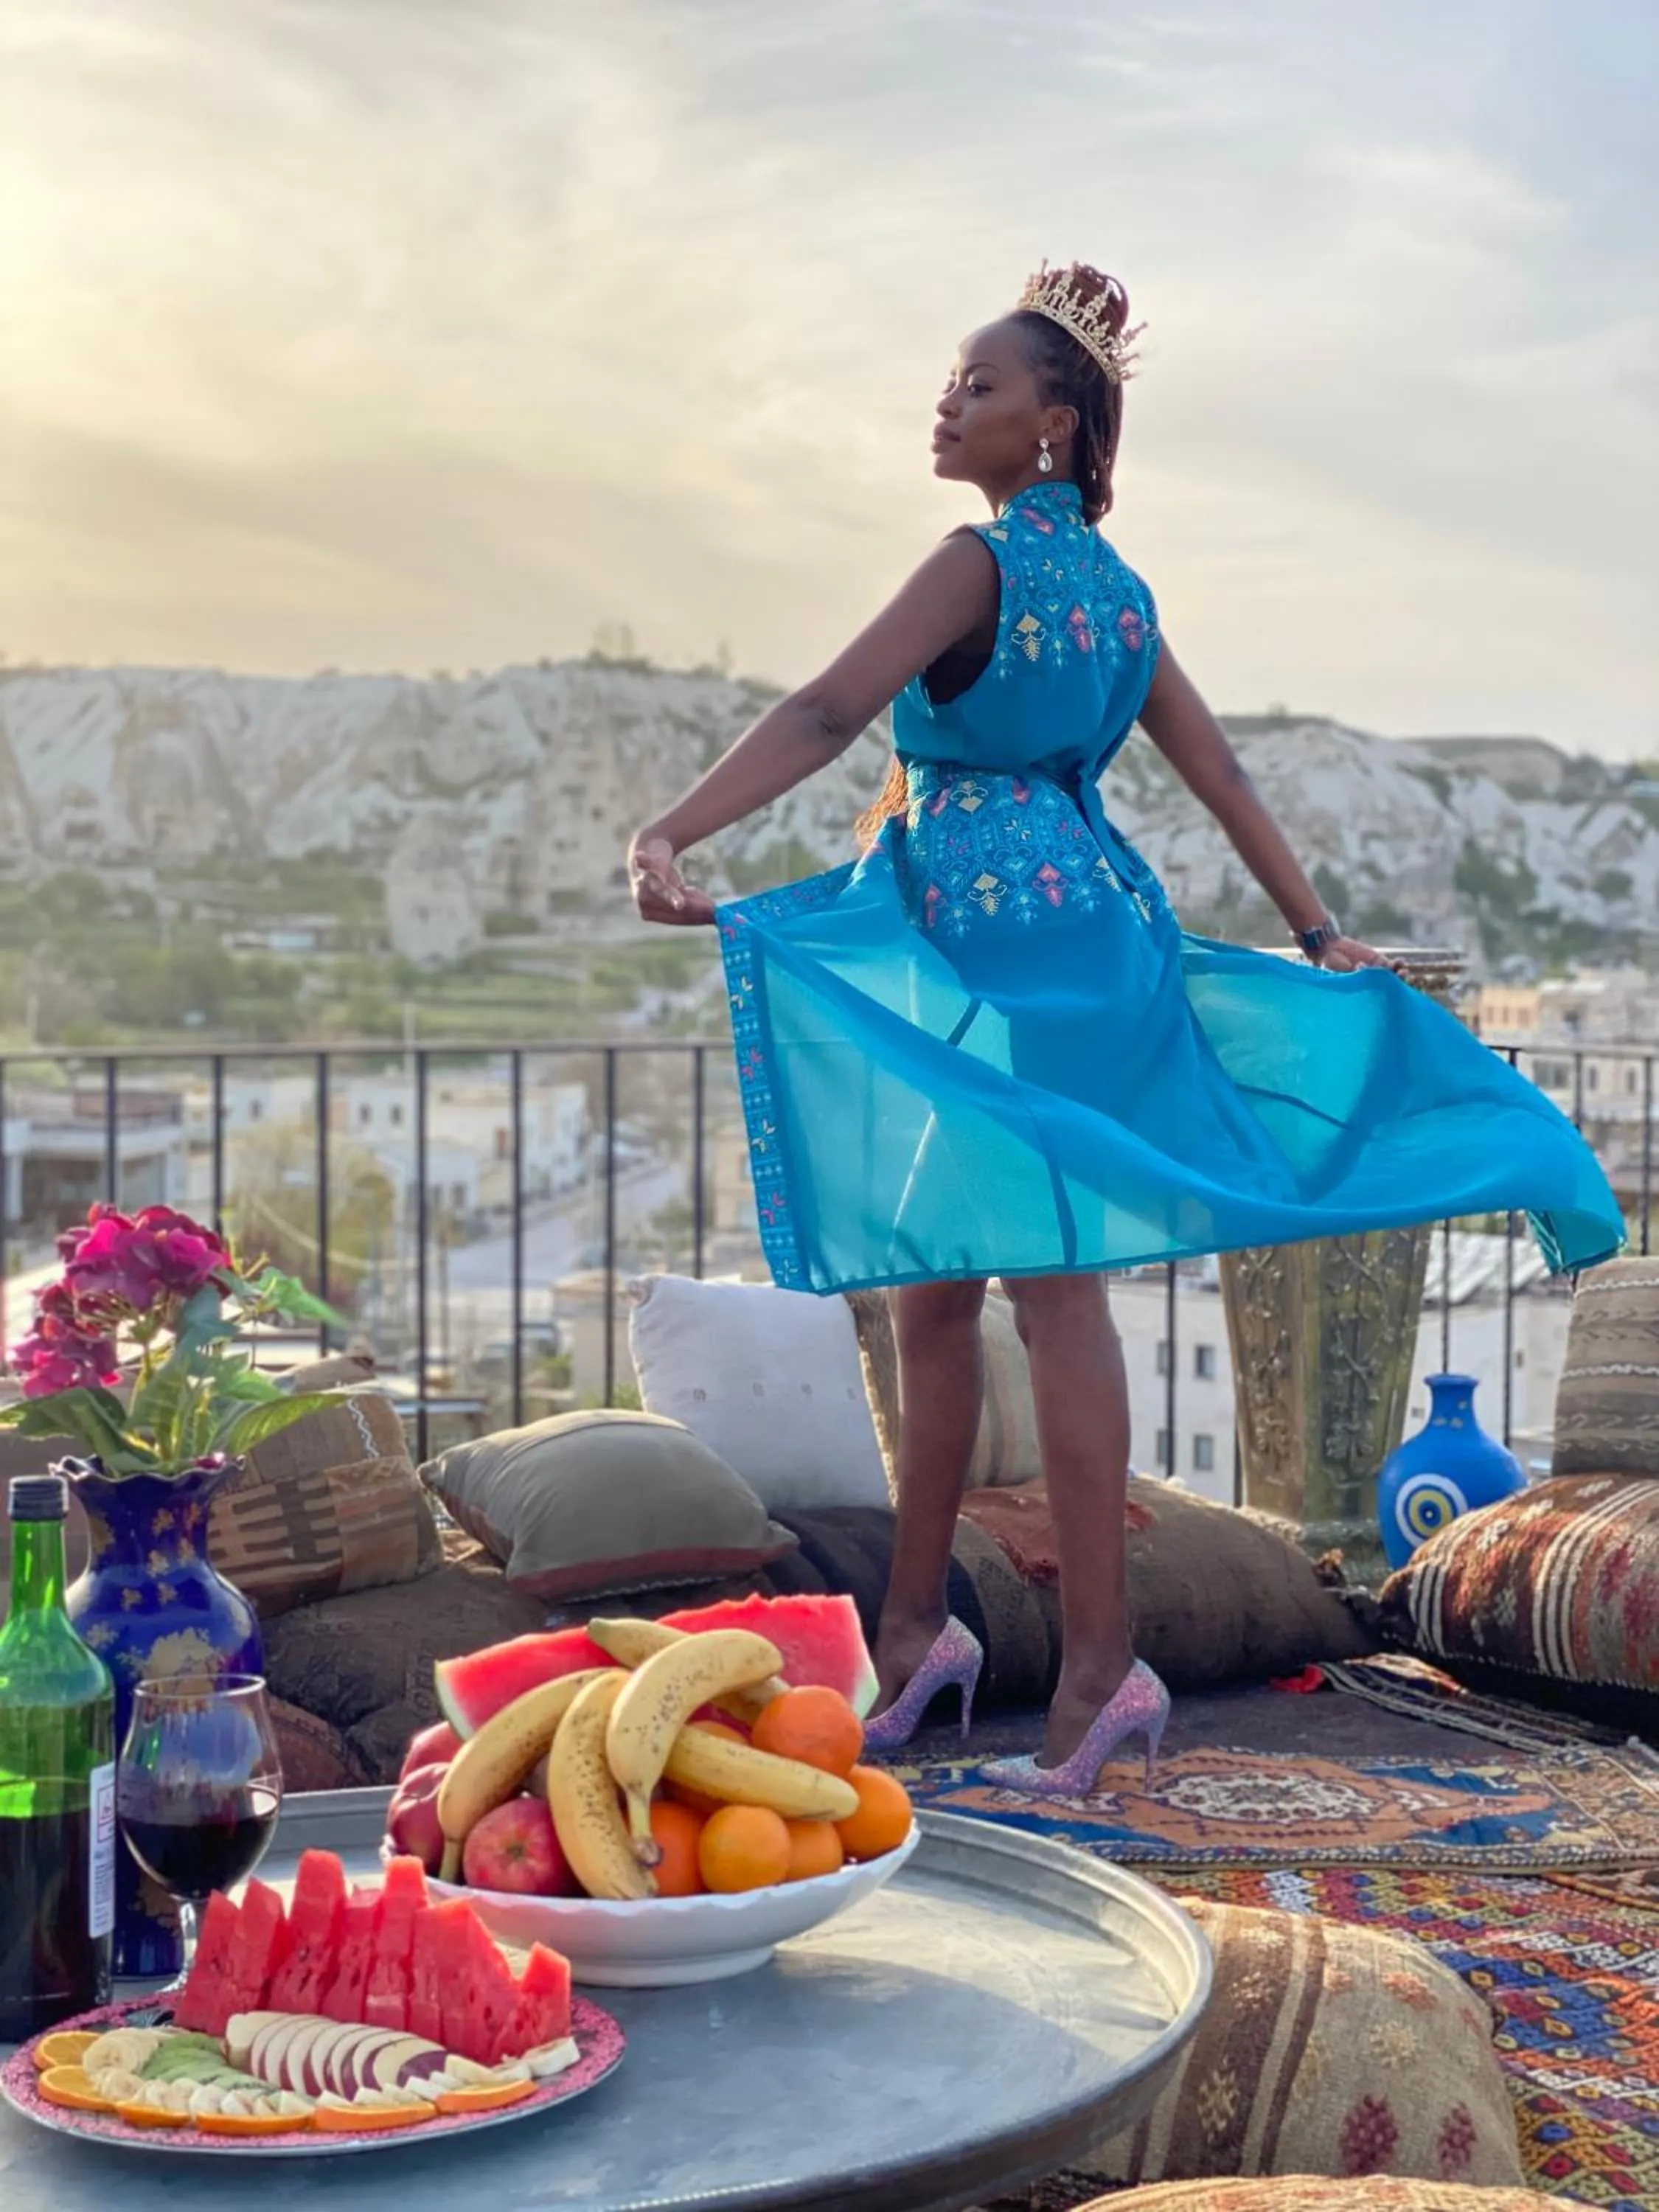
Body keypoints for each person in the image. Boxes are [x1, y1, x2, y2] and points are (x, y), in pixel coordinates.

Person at [628, 260, 1626, 1799]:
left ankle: (1092, 1667)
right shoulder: (1118, 595)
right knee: (954, 1288)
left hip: (995, 941)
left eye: (980, 381)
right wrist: (1308, 930)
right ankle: (922, 1636)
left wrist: (674, 833)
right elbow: (1219, 774)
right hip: (1084, 925)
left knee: (1015, 1286)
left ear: (1057, 424)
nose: (948, 398)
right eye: (951, 378)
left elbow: (831, 713)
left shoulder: (978, 564)